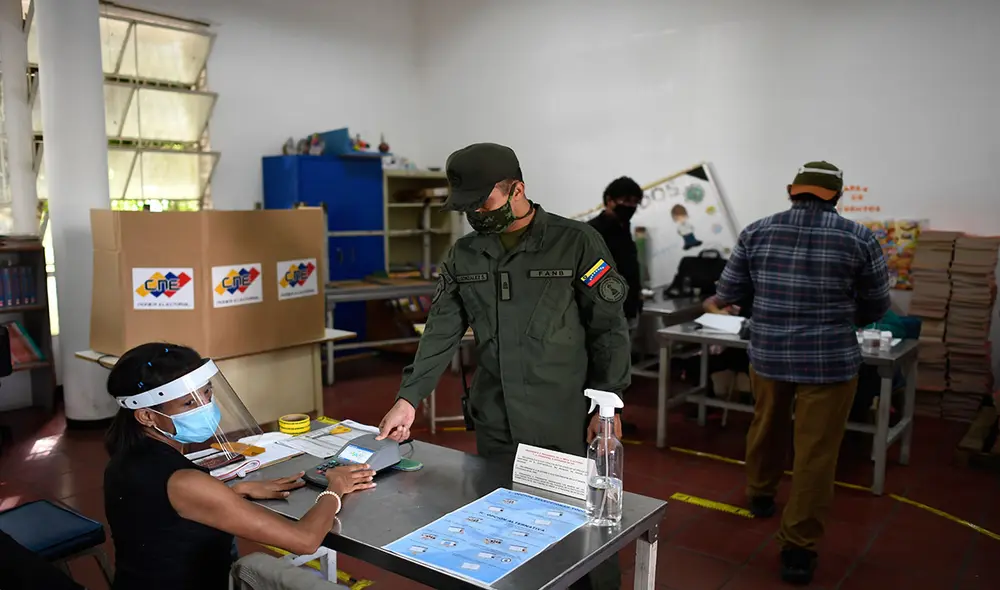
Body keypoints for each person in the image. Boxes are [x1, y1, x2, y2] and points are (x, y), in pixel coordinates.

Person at [376, 143, 632, 590]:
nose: (476, 212)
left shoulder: (575, 243)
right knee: (503, 526)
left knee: (583, 531)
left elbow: (608, 329)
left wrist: (607, 412)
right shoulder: (465, 255)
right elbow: (440, 330)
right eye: (468, 206)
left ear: (519, 189)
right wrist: (408, 398)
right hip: (495, 416)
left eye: (484, 201)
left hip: (564, 417)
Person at [704, 161, 890, 585]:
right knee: (816, 453)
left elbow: (729, 293)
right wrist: (843, 319)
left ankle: (761, 493)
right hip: (830, 362)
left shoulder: (757, 231)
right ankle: (798, 549)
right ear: (837, 195)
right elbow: (877, 304)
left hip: (769, 355)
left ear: (792, 190)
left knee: (767, 424)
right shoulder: (859, 237)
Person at [103, 343, 376, 590]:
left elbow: (162, 517)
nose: (205, 407)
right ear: (147, 416)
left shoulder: (125, 460)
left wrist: (234, 492)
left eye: (207, 393)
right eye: (188, 403)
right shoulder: (183, 481)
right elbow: (304, 541)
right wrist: (335, 489)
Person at [589, 176, 644, 437]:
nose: (631, 206)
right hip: (606, 313)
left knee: (621, 368)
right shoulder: (593, 232)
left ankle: (613, 418)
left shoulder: (625, 227)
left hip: (629, 308)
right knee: (604, 367)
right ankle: (598, 420)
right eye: (625, 201)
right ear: (609, 201)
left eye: (635, 202)